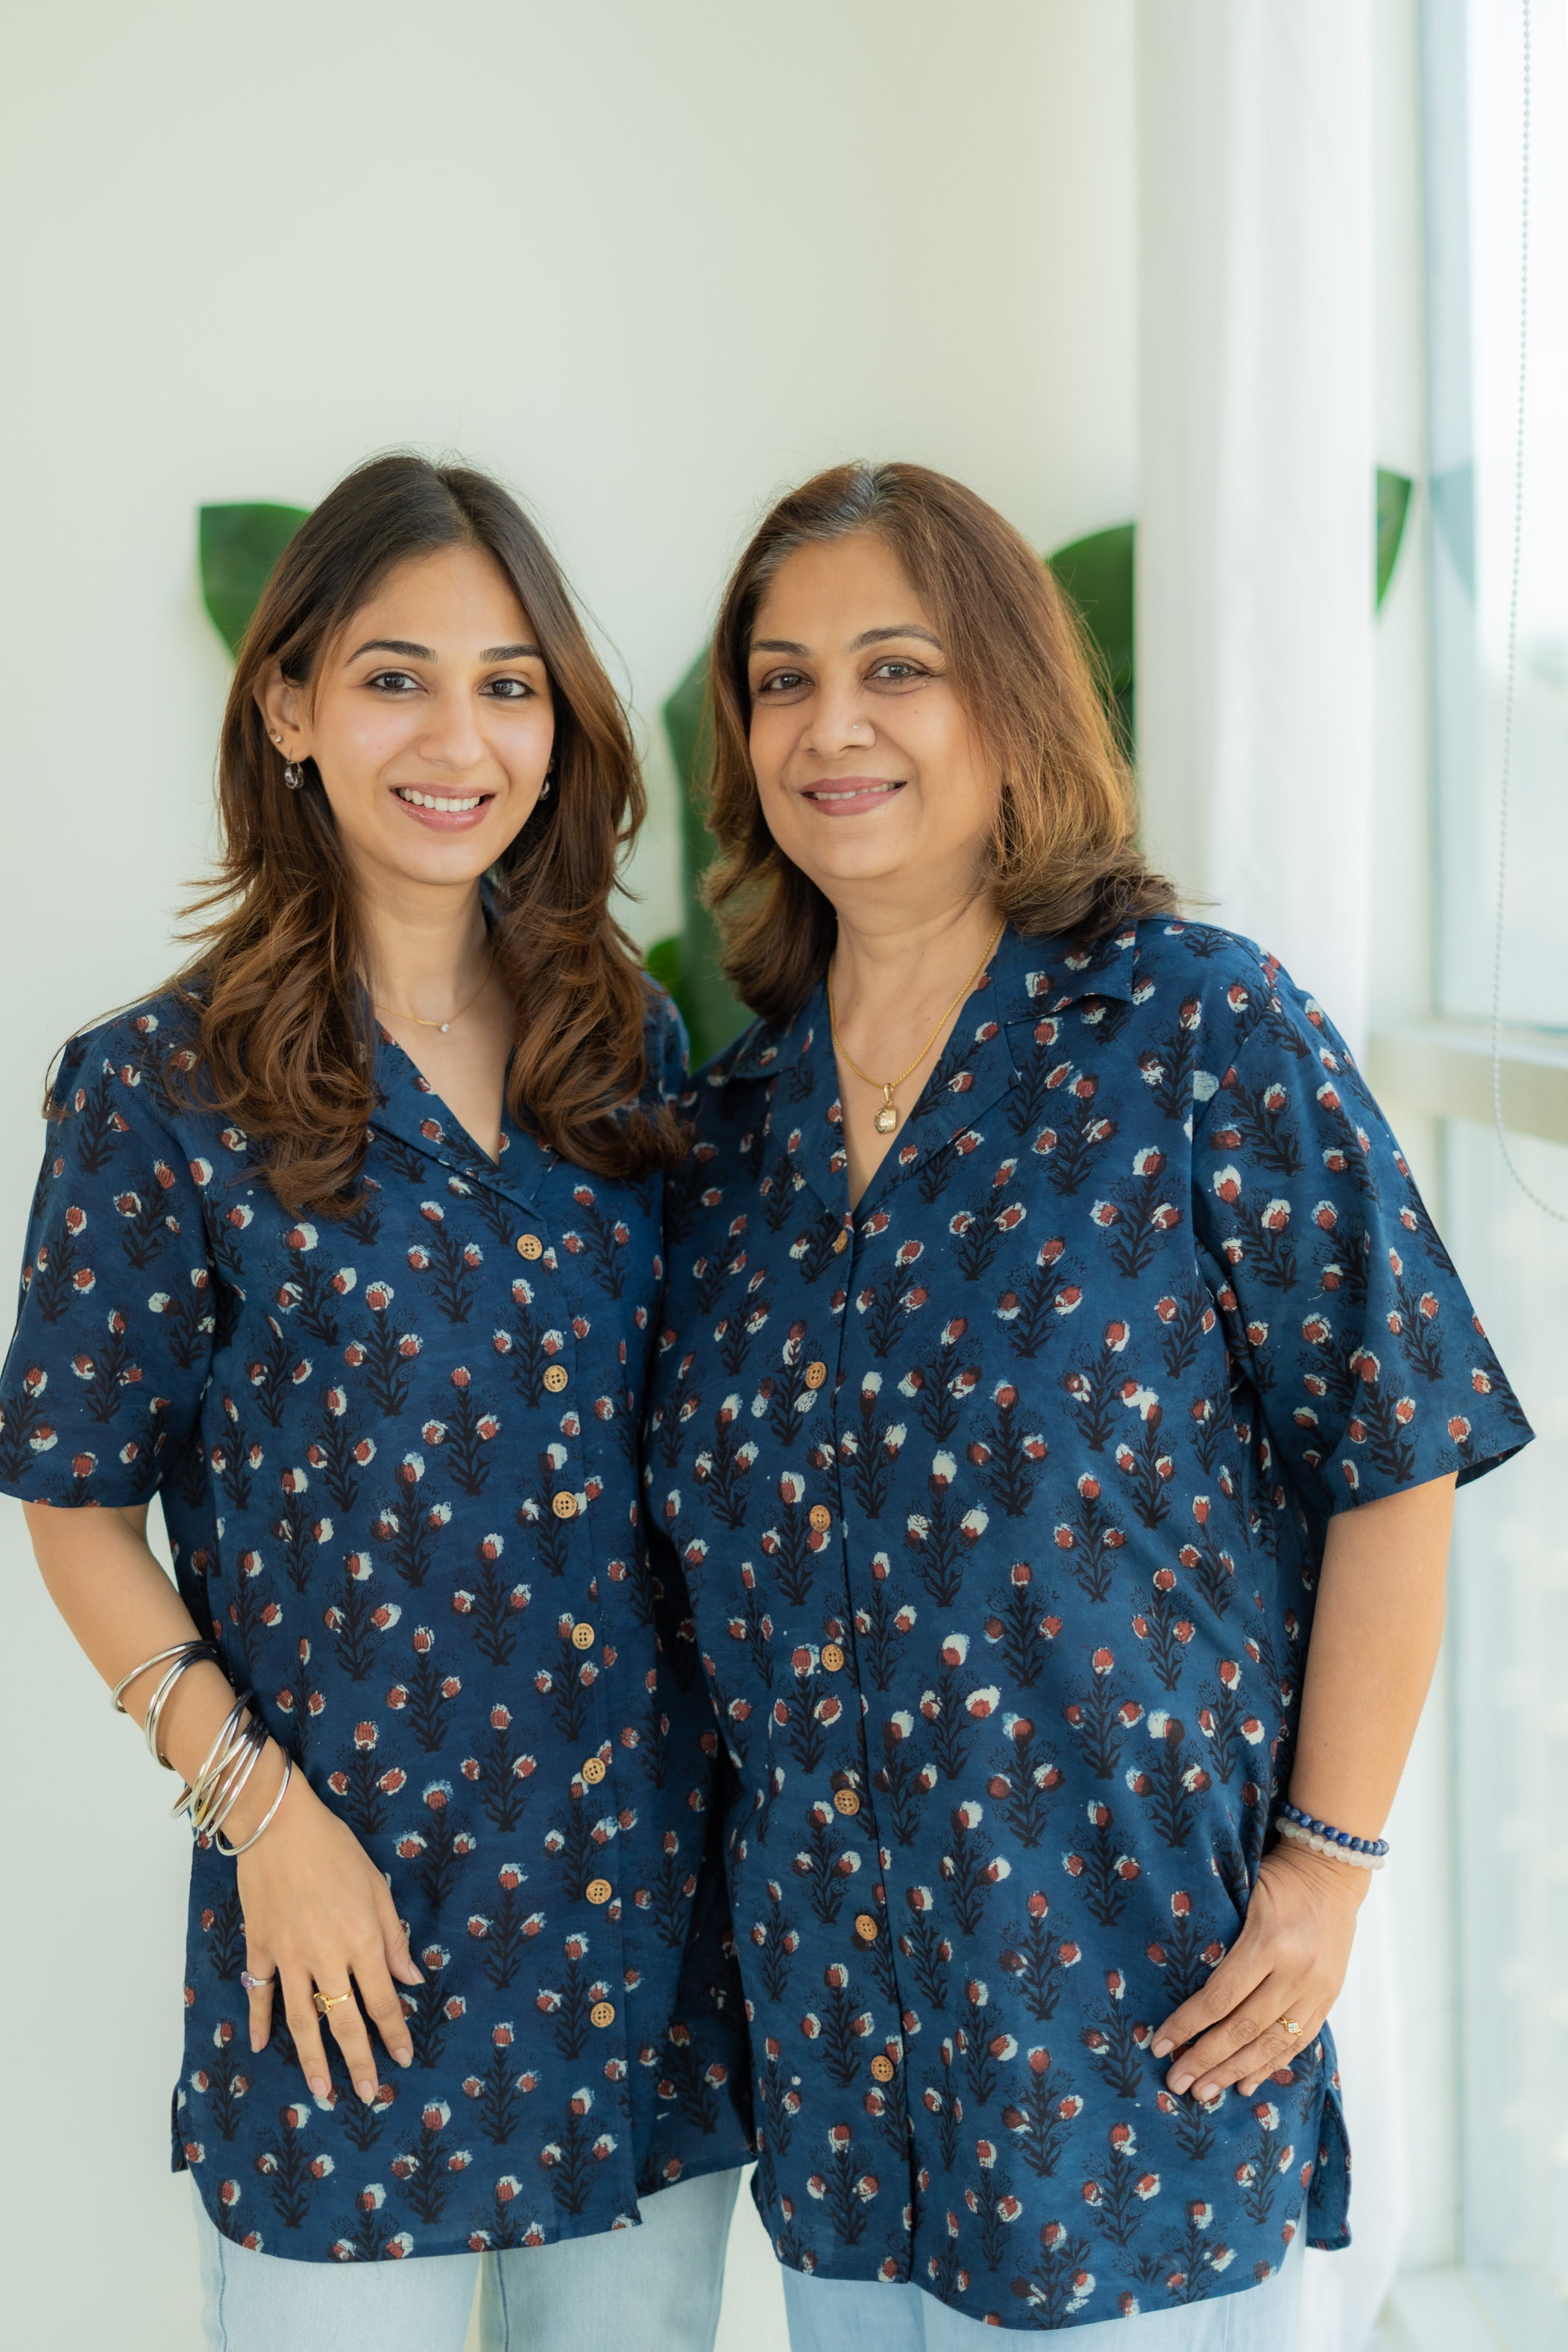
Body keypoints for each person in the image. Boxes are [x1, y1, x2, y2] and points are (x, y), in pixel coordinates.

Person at [642, 460, 1531, 2345]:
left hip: (1139, 2037)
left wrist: (1324, 1872)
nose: (834, 725)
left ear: (1009, 701)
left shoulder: (1194, 1030)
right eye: (782, 680)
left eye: (896, 665)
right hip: (839, 2070)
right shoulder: (721, 1141)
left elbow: (1398, 1451)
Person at [0, 455, 749, 2351]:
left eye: (509, 684)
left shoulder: (624, 1044)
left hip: (635, 1926)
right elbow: (74, 1501)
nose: (458, 736)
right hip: (338, 1923)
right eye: (396, 675)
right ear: (289, 706)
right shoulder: (153, 1091)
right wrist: (263, 1817)